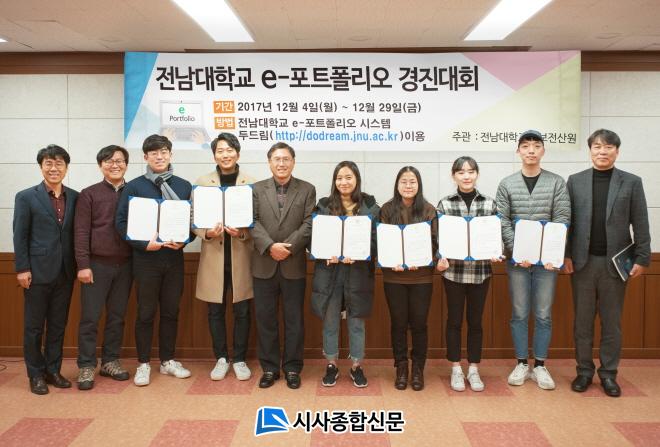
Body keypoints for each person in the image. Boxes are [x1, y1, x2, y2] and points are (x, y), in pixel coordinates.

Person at [564, 129, 651, 397]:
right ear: (590, 150)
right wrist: (566, 255)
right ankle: (584, 371)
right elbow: (568, 222)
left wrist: (643, 257)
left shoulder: (631, 182)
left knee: (612, 323)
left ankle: (609, 374)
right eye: (598, 147)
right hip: (582, 263)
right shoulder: (575, 181)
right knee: (583, 322)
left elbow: (641, 221)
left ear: (617, 151)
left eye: (608, 147)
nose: (603, 151)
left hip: (616, 264)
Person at [116, 134, 194, 386]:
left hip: (174, 259)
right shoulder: (134, 187)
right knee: (145, 313)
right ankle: (143, 363)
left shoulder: (184, 186)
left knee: (171, 311)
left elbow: (192, 222)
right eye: (153, 153)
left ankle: (167, 361)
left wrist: (185, 240)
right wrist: (143, 244)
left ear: (170, 154)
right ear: (145, 157)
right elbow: (120, 222)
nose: (159, 157)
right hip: (145, 260)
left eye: (163, 152)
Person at [495, 130, 570, 391]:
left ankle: (539, 365)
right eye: (525, 146)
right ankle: (521, 363)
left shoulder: (556, 182)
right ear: (518, 151)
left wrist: (552, 254)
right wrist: (518, 251)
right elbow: (502, 220)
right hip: (518, 262)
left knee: (543, 314)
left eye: (536, 146)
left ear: (543, 151)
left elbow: (562, 218)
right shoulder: (507, 184)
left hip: (547, 264)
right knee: (519, 313)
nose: (531, 150)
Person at [13, 145, 79, 395]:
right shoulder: (26, 197)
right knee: (34, 328)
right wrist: (22, 268)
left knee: (58, 325)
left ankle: (53, 370)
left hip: (65, 272)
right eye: (49, 163)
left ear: (66, 168)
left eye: (59, 163)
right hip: (37, 272)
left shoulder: (75, 197)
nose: (54, 168)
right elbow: (20, 235)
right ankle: (36, 374)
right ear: (41, 167)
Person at [251, 142, 315, 390]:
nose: (281, 163)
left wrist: (287, 247)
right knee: (265, 319)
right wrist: (270, 246)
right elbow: (252, 221)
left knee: (294, 320)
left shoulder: (307, 189)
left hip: (293, 263)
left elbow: (309, 223)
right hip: (263, 264)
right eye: (276, 159)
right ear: (269, 162)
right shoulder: (256, 189)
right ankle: (269, 368)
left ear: (293, 162)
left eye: (286, 159)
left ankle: (292, 368)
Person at [192, 133, 255, 381]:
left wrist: (243, 233)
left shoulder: (251, 182)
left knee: (242, 311)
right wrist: (206, 232)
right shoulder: (202, 182)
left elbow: (258, 219)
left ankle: (239, 359)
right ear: (214, 155)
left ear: (237, 153)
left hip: (241, 256)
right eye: (220, 151)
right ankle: (220, 358)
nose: (225, 155)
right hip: (214, 257)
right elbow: (193, 217)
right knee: (215, 311)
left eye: (229, 150)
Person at [311, 161, 380, 388]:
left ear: (357, 179)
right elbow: (313, 238)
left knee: (356, 322)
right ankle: (331, 364)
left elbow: (376, 241)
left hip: (358, 272)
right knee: (330, 320)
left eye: (348, 177)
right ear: (334, 181)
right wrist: (324, 254)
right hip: (329, 272)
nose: (344, 182)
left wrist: (359, 253)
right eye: (339, 178)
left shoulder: (370, 207)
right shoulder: (323, 206)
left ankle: (356, 366)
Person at [436, 156, 501, 392]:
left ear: (477, 174)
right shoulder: (445, 204)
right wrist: (439, 258)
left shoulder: (489, 203)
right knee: (454, 321)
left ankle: (473, 368)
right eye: (461, 172)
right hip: (453, 273)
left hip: (481, 272)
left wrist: (496, 251)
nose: (466, 176)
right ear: (453, 176)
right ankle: (455, 368)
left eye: (471, 171)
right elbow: (438, 238)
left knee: (476, 322)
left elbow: (496, 237)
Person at [74, 145, 133, 390]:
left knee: (117, 317)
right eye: (108, 161)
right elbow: (81, 232)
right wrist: (83, 265)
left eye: (119, 160)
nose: (114, 165)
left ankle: (110, 361)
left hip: (127, 265)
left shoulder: (135, 191)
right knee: (90, 318)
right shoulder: (89, 194)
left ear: (126, 164)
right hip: (96, 265)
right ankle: (86, 365)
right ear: (101, 165)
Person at [379, 166, 437, 391]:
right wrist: (390, 260)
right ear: (397, 184)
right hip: (394, 277)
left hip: (422, 277)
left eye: (412, 181)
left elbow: (435, 242)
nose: (408, 185)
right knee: (398, 323)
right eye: (404, 181)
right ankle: (401, 366)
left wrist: (423, 259)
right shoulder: (386, 209)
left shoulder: (429, 210)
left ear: (419, 184)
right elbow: (382, 242)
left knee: (419, 324)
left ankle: (418, 368)